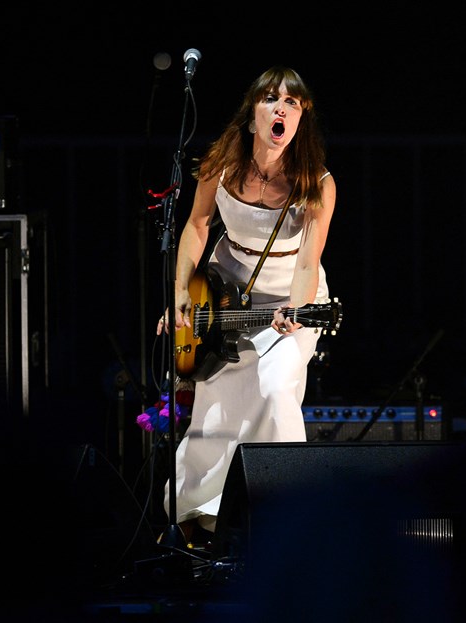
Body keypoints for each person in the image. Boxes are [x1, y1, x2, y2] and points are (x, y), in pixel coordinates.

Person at [156, 66, 336, 547]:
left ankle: (285, 518)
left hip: (289, 297)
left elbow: (307, 262)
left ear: (300, 121)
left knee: (277, 391)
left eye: (293, 103)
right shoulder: (222, 166)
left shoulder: (317, 182)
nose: (282, 108)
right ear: (252, 114)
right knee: (213, 404)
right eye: (272, 99)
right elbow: (196, 226)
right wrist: (179, 293)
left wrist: (294, 314)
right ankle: (194, 516)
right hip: (223, 289)